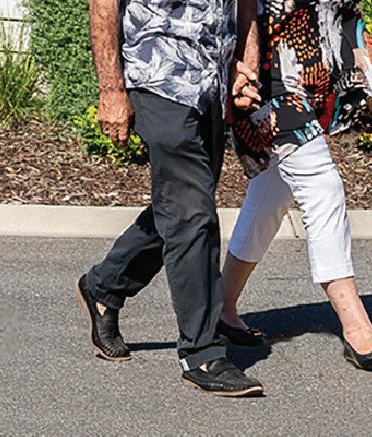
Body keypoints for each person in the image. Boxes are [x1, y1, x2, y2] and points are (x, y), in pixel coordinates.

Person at [72, 0, 267, 396]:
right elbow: (103, 5)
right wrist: (111, 90)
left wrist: (246, 67)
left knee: (181, 207)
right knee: (192, 213)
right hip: (157, 75)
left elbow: (246, 4)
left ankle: (104, 286)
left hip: (211, 81)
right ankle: (202, 352)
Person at [213, 0, 372, 372]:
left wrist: (359, 71)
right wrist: (242, 65)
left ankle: (220, 306)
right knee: (321, 185)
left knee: (271, 193)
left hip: (309, 60)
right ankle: (355, 324)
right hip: (264, 63)